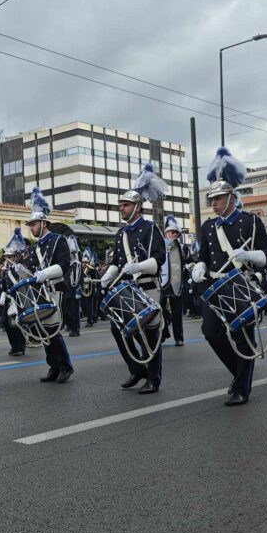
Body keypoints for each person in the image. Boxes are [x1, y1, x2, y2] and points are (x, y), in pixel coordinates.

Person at [191, 148, 267, 406]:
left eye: (218, 198)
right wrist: (200, 267)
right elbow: (203, 254)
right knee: (211, 331)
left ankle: (241, 387)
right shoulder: (207, 227)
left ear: (231, 197)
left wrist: (251, 256)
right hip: (216, 285)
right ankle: (238, 373)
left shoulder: (250, 222)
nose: (213, 203)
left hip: (241, 284)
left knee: (243, 336)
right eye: (211, 199)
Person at [99, 163, 168, 394]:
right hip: (128, 289)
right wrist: (108, 276)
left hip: (148, 287)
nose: (121, 208)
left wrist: (138, 266)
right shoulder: (120, 233)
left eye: (125, 204)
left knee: (149, 334)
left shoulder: (151, 229)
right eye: (120, 204)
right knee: (118, 328)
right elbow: (117, 262)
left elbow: (159, 259)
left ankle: (154, 379)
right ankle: (137, 369)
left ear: (137, 207)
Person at [19, 186, 74, 383]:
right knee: (43, 330)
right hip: (40, 292)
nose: (31, 228)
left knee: (52, 329)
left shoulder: (59, 240)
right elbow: (31, 269)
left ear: (43, 223)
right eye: (30, 225)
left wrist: (45, 273)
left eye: (33, 225)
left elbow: (64, 264)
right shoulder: (35, 247)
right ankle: (53, 366)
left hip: (55, 288)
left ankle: (65, 366)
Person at [0, 228, 29, 357]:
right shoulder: (6, 269)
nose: (8, 259)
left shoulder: (20, 267)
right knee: (6, 322)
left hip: (19, 298)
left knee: (17, 323)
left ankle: (20, 347)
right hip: (8, 298)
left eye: (10, 256)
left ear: (16, 256)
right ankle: (13, 345)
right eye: (7, 257)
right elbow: (4, 285)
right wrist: (2, 296)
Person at [160, 215, 186, 347]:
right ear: (166, 234)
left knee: (177, 313)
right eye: (171, 232)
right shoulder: (159, 245)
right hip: (162, 282)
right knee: (160, 310)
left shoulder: (183, 248)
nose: (174, 234)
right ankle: (163, 334)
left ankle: (179, 337)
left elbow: (187, 262)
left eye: (176, 232)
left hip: (177, 283)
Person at [62, 235, 83, 337]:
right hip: (66, 291)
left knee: (75, 312)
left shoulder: (77, 264)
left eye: (71, 253)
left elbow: (80, 278)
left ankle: (76, 329)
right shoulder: (66, 265)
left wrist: (79, 289)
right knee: (65, 310)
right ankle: (70, 325)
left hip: (74, 290)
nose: (69, 255)